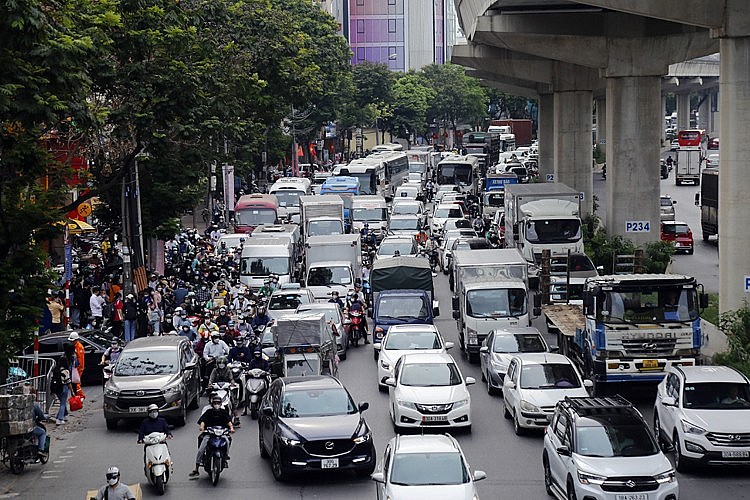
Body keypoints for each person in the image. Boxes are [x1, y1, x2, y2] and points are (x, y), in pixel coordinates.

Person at [189, 395, 234, 478]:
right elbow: (203, 421)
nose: (216, 404)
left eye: (218, 403)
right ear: (212, 404)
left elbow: (228, 421)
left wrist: (231, 428)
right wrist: (202, 427)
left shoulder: (223, 412)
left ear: (220, 404)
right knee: (201, 449)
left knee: (228, 440)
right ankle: (197, 468)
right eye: (215, 403)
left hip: (221, 433)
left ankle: (225, 456)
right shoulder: (208, 412)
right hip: (209, 434)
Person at [50, 355, 74, 424]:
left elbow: (52, 380)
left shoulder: (55, 370)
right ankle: (59, 418)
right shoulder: (65, 371)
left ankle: (65, 415)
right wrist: (72, 391)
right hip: (63, 388)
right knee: (63, 404)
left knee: (62, 402)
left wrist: (52, 390)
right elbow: (68, 382)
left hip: (57, 389)